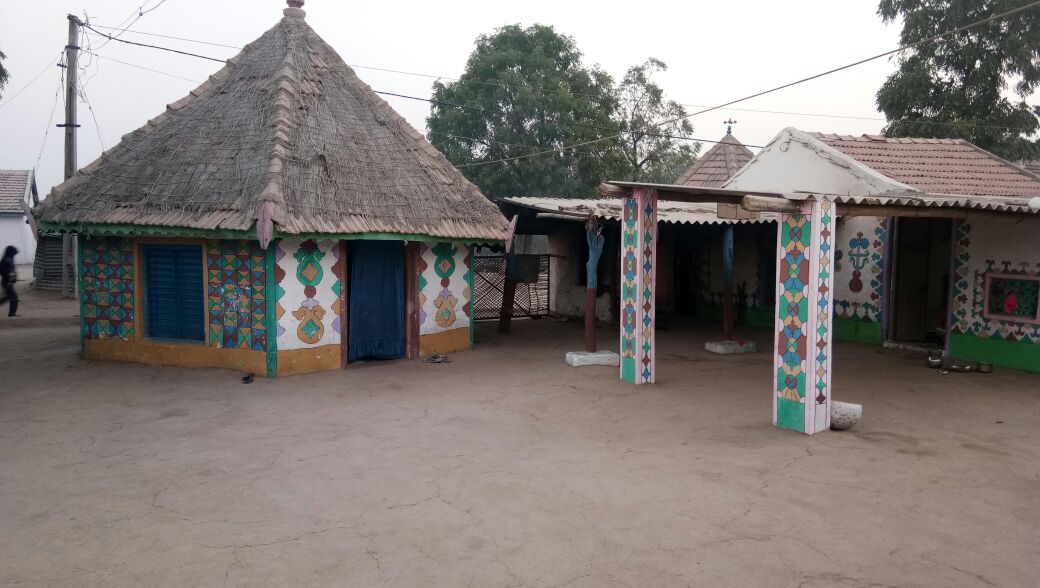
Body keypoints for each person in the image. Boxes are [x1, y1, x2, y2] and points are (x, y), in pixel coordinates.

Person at [0, 246, 19, 317]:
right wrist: (9, 277)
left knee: (7, 297)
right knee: (14, 298)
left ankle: (12, 313)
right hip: (7, 282)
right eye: (14, 254)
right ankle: (12, 314)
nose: (14, 255)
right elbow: (3, 271)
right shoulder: (5, 260)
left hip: (9, 282)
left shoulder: (8, 259)